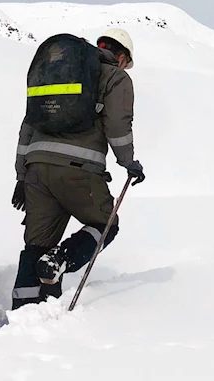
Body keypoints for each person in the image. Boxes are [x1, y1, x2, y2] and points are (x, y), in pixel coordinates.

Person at [9, 28, 146, 310]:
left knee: (36, 246)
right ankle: (60, 261)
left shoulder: (59, 72)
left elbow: (27, 127)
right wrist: (129, 162)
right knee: (105, 224)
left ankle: (22, 316)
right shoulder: (115, 77)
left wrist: (22, 177)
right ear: (121, 57)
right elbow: (118, 125)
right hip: (78, 170)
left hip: (36, 169)